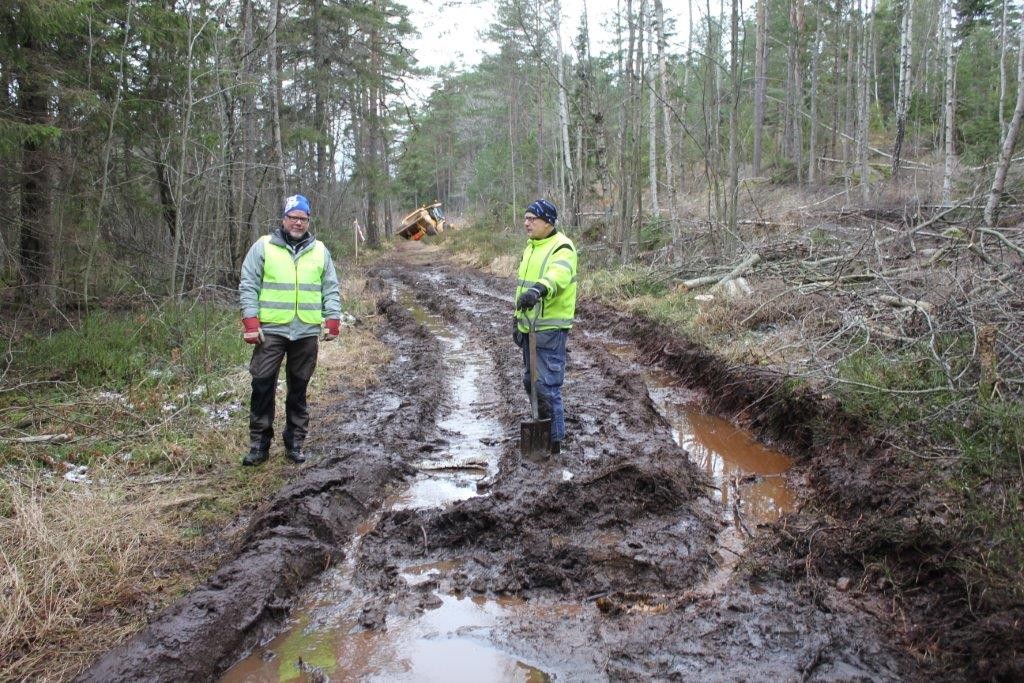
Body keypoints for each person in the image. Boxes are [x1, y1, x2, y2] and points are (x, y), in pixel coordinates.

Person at [238, 194, 342, 466]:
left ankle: (295, 442)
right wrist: (251, 322)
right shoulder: (264, 246)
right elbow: (248, 284)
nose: (298, 223)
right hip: (270, 331)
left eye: (303, 218)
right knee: (262, 386)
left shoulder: (320, 250)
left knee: (299, 388)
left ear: (308, 221)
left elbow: (330, 287)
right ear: (284, 219)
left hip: (306, 331)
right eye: (293, 217)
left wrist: (332, 319)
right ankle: (259, 445)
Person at [512, 199, 578, 455]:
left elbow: (557, 276)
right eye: (526, 217)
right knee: (530, 381)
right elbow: (522, 288)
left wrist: (539, 289)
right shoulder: (531, 247)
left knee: (547, 387)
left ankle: (554, 442)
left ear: (548, 222)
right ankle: (539, 426)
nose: (527, 222)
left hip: (550, 331)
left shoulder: (562, 247)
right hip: (529, 328)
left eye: (533, 218)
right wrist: (517, 319)